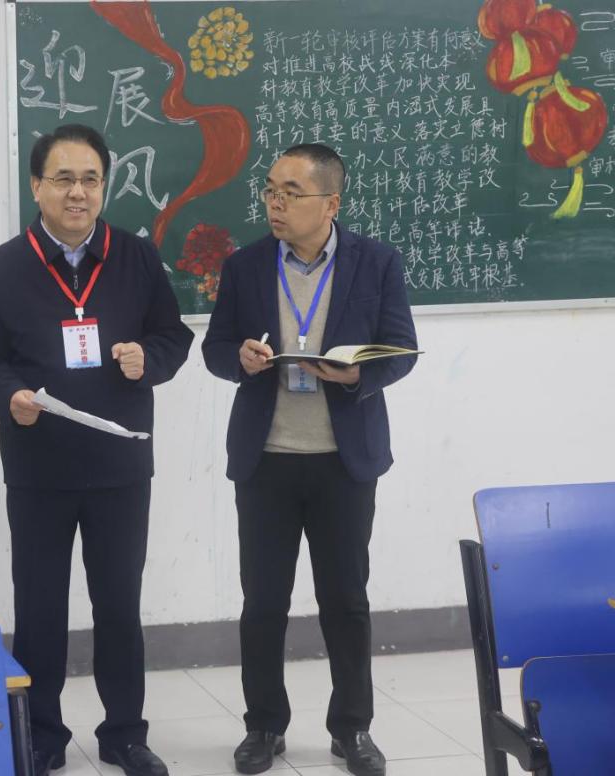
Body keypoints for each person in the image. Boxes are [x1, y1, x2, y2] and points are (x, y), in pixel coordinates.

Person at [0, 123, 193, 776]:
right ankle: (41, 734)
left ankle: (124, 734)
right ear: (36, 186)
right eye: (63, 178)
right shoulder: (1, 268)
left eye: (90, 179)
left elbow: (172, 336)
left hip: (120, 466)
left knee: (118, 605)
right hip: (39, 465)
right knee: (39, 608)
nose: (78, 192)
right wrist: (8, 396)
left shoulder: (136, 257)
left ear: (104, 187)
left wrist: (148, 359)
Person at [201, 143, 417, 776]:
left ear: (331, 203)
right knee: (263, 601)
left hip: (342, 462)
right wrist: (238, 359)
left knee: (345, 598)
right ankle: (264, 725)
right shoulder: (244, 265)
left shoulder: (376, 262)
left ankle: (353, 728)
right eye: (271, 190)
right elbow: (214, 348)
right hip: (266, 459)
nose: (275, 203)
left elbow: (401, 350)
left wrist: (356, 376)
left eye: (291, 193)